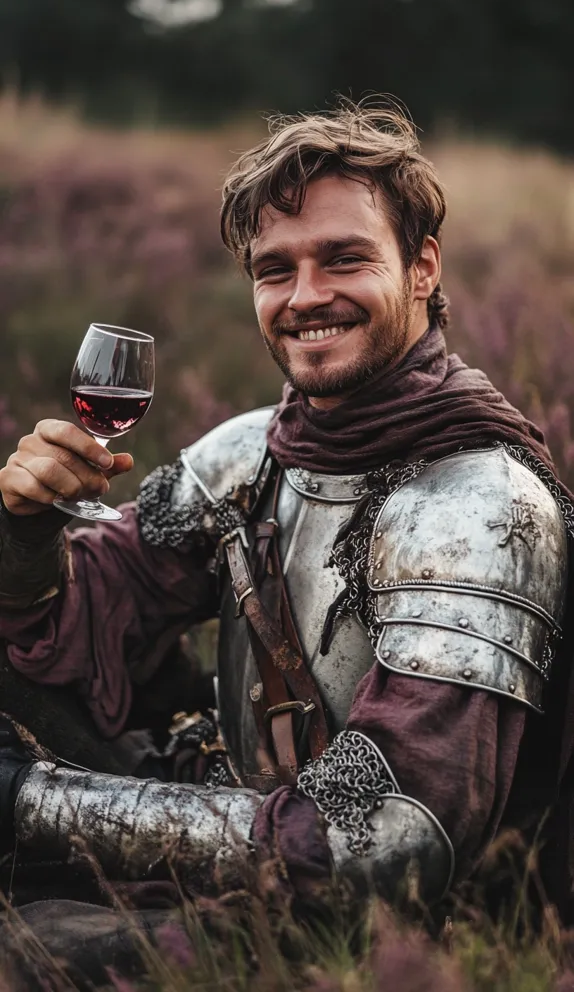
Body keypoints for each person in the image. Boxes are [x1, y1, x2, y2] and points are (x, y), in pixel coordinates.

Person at [0, 102, 573, 977]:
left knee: (26, 950)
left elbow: (383, 836)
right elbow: (83, 616)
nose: (306, 296)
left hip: (383, 931)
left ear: (422, 269)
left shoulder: (474, 510)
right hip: (247, 835)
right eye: (275, 269)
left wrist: (29, 799)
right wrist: (28, 533)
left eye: (344, 257)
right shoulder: (248, 457)